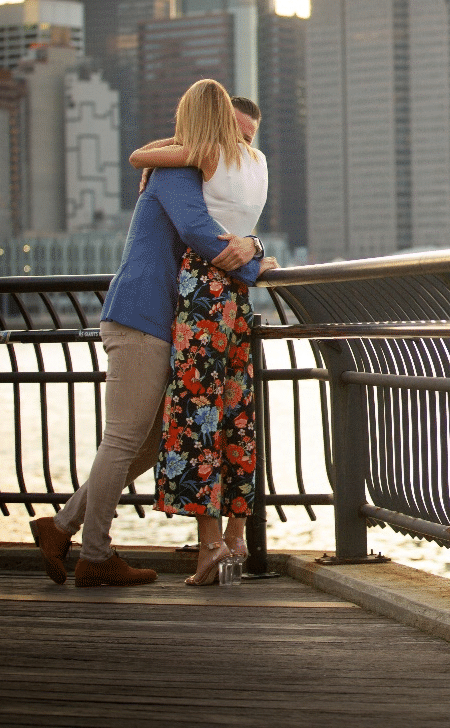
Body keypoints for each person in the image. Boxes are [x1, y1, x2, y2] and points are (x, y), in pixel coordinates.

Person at [29, 92, 269, 587]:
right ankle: (94, 554)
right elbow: (203, 234)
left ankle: (59, 528)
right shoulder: (178, 173)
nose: (240, 146)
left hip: (166, 323)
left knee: (155, 439)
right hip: (143, 318)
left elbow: (226, 224)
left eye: (249, 138)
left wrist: (256, 242)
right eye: (233, 133)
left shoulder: (204, 171)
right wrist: (254, 262)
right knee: (122, 439)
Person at [130, 83, 272, 586]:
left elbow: (137, 155)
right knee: (238, 413)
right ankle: (238, 535)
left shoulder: (204, 152)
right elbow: (244, 233)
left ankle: (209, 544)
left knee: (195, 413)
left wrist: (174, 145)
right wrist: (255, 254)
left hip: (203, 290)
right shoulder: (258, 162)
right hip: (238, 295)